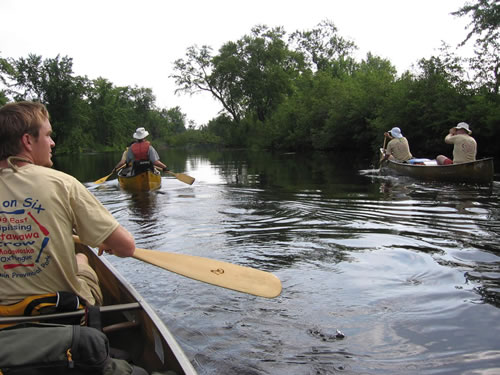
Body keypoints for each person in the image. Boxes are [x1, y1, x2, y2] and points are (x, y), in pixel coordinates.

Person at [0, 101, 136, 308]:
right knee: (80, 257)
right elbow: (126, 247)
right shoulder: (62, 184)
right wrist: (105, 244)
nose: (52, 143)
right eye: (47, 135)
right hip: (61, 314)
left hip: (4, 320)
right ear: (27, 141)